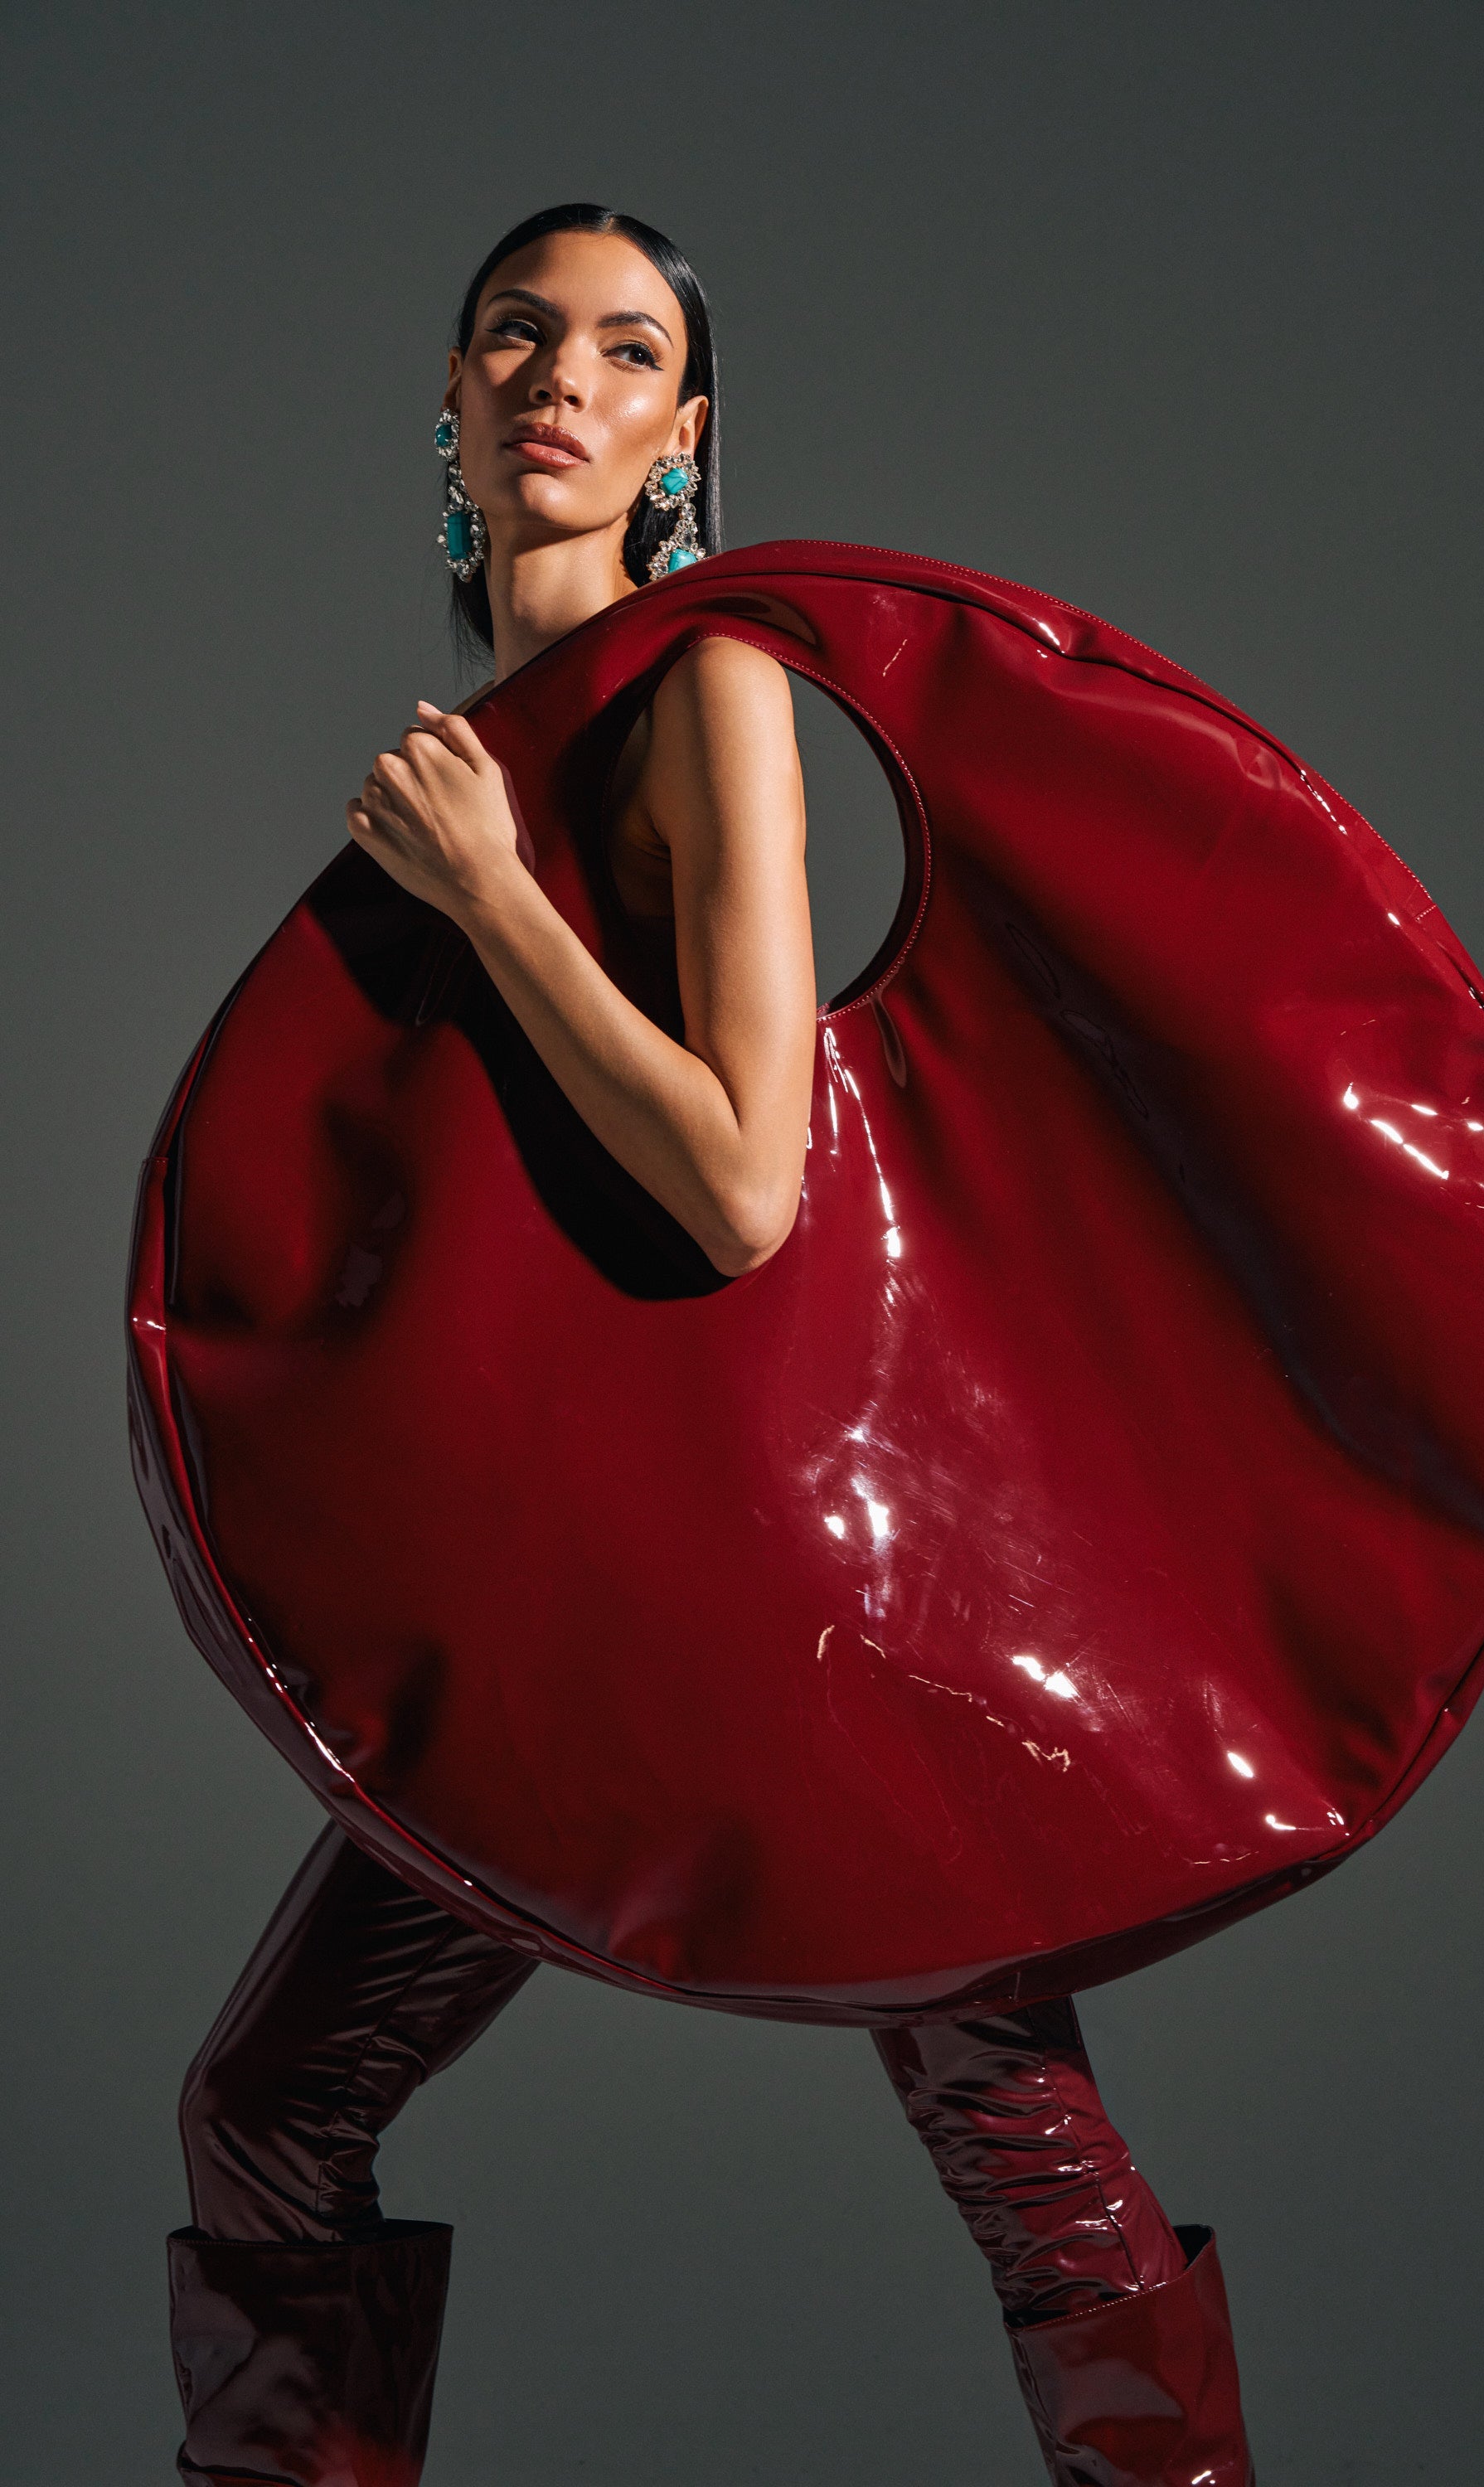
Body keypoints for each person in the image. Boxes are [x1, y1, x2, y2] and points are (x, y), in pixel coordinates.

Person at [166, 203, 1254, 2487]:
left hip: (785, 1579)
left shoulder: (705, 686)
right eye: (513, 336)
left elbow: (748, 1182)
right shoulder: (486, 742)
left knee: (1009, 2125)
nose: (559, 375)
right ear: (453, 418)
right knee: (281, 2110)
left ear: (681, 437)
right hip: (585, 1581)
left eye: (622, 350)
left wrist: (487, 898)